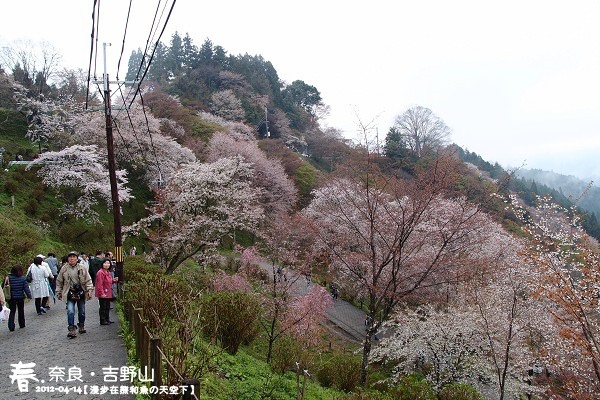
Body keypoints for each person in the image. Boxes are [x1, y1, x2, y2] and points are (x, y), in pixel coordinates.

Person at [56, 251, 94, 338]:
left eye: (74, 257)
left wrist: (89, 289)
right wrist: (58, 292)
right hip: (69, 292)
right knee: (70, 311)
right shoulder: (64, 269)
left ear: (77, 259)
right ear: (68, 259)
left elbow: (88, 279)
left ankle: (81, 325)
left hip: (80, 292)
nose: (72, 259)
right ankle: (71, 329)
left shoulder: (82, 268)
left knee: (82, 312)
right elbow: (59, 281)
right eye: (70, 257)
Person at [4, 265, 32, 331]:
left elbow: (4, 286)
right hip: (20, 297)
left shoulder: (8, 278)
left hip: (11, 297)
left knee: (12, 311)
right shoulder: (23, 278)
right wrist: (29, 296)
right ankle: (22, 324)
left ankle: (11, 326)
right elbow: (26, 288)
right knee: (21, 311)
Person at [95, 258, 118, 325]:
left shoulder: (108, 272)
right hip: (103, 292)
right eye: (105, 263)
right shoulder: (100, 272)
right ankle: (102, 320)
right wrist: (101, 293)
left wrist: (114, 280)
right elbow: (99, 284)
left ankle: (107, 319)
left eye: (108, 263)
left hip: (108, 291)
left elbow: (109, 282)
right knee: (103, 307)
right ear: (102, 264)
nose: (106, 264)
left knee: (107, 306)